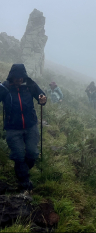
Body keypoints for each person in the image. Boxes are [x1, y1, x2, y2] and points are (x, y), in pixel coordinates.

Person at [0, 64, 47, 192]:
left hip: (31, 125)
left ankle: (23, 171)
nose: (19, 80)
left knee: (32, 153)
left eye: (21, 77)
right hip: (13, 128)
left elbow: (41, 95)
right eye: (17, 77)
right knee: (19, 155)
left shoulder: (30, 85)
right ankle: (24, 182)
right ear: (11, 76)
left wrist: (43, 99)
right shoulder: (5, 87)